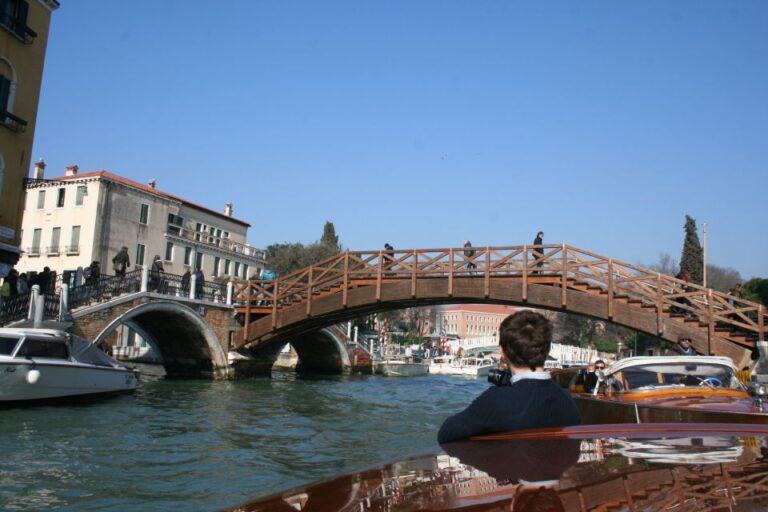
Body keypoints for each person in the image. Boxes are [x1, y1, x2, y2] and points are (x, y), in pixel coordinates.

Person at [437, 310, 580, 443]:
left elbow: (446, 433)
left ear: (502, 352)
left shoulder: (496, 400)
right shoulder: (567, 400)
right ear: (548, 349)